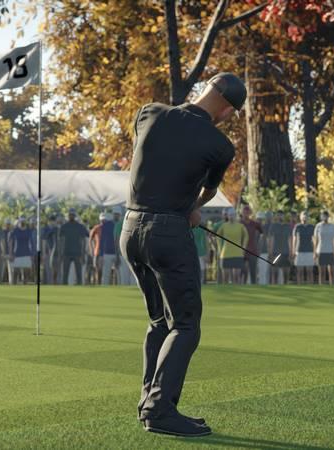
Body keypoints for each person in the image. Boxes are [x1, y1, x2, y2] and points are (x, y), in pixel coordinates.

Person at [120, 71, 243, 437]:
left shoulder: (149, 112)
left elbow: (149, 159)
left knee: (159, 320)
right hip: (168, 233)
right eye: (231, 113)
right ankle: (159, 409)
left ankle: (149, 403)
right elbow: (207, 192)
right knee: (185, 324)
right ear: (227, 109)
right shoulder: (221, 146)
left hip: (130, 228)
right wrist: (192, 208)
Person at [59, 208, 89, 285]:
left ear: (75, 215)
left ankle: (80, 289)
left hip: (77, 253)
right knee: (65, 275)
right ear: (68, 215)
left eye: (72, 215)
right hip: (66, 253)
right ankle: (64, 289)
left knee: (79, 275)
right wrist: (61, 253)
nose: (71, 216)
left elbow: (83, 241)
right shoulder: (64, 227)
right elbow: (61, 241)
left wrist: (83, 254)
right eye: (70, 215)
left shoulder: (80, 227)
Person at [217, 207, 248, 284]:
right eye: (230, 215)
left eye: (233, 215)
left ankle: (237, 291)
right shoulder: (224, 226)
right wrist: (219, 248)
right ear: (227, 216)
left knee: (236, 277)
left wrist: (243, 247)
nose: (231, 216)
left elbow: (246, 236)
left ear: (235, 215)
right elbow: (217, 236)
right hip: (225, 254)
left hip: (237, 254)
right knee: (225, 278)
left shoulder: (240, 226)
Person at [90, 211, 117, 285]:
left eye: (104, 220)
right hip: (97, 253)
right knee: (98, 270)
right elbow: (90, 239)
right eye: (102, 220)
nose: (103, 221)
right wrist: (92, 250)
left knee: (108, 271)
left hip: (105, 253)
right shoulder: (96, 228)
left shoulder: (110, 227)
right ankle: (97, 284)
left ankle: (108, 285)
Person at [313, 211, 334, 285]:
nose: (325, 217)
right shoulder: (318, 226)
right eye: (323, 216)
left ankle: (332, 286)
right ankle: (321, 287)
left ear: (328, 217)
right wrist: (315, 252)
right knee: (321, 272)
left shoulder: (333, 226)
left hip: (330, 251)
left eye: (326, 216)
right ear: (321, 217)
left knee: (331, 272)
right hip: (320, 251)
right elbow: (315, 240)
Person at [240, 205, 263, 284]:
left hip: (253, 250)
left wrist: (259, 246)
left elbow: (262, 234)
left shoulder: (254, 224)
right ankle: (241, 287)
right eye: (244, 212)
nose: (246, 214)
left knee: (253, 271)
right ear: (242, 213)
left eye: (247, 212)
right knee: (242, 271)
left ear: (250, 213)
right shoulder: (239, 223)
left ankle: (254, 286)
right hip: (241, 251)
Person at [291, 211, 314, 284]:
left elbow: (314, 240)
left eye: (306, 216)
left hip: (309, 251)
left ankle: (311, 287)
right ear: (300, 217)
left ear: (308, 217)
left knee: (309, 271)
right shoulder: (297, 227)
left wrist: (314, 252)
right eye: (303, 216)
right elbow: (294, 240)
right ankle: (300, 286)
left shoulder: (312, 227)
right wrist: (293, 251)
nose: (305, 217)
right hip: (299, 251)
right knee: (299, 271)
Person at [268, 211, 291, 284]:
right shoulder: (273, 226)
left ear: (284, 216)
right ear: (276, 216)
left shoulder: (287, 226)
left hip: (285, 252)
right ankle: (274, 287)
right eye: (278, 215)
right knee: (275, 273)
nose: (280, 216)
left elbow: (290, 239)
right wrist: (270, 252)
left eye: (281, 215)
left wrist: (291, 252)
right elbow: (271, 239)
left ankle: (286, 287)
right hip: (275, 252)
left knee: (286, 273)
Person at [256, 212, 272, 285]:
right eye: (258, 219)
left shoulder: (266, 228)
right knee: (254, 272)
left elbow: (268, 241)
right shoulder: (254, 228)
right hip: (254, 253)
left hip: (264, 252)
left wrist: (269, 251)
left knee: (264, 272)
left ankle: (264, 286)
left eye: (261, 219)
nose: (260, 221)